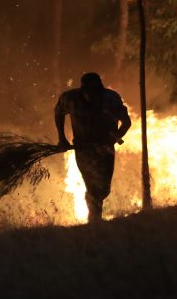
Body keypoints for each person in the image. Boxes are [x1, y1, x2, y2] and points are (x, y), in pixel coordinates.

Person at [54, 72, 131, 223]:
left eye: (95, 93)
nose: (92, 96)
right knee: (92, 186)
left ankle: (95, 215)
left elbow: (126, 122)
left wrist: (114, 138)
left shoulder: (111, 98)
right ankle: (94, 219)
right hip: (83, 149)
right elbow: (58, 113)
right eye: (89, 93)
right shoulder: (71, 99)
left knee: (104, 189)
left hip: (105, 150)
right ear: (82, 90)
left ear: (101, 90)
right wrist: (62, 138)